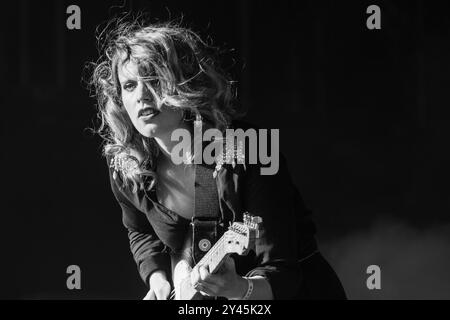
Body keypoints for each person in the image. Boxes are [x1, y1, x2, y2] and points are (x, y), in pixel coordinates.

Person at [89, 18, 346, 300]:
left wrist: (240, 288)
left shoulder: (249, 148)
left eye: (154, 80)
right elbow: (140, 232)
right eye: (129, 85)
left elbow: (283, 270)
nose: (141, 95)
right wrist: (158, 279)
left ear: (184, 82)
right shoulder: (127, 168)